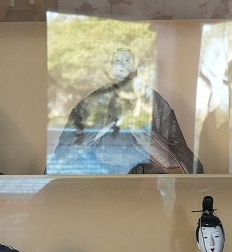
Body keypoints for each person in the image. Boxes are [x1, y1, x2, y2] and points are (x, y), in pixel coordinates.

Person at [49, 47, 201, 175]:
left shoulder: (153, 100)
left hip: (144, 180)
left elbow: (180, 158)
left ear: (135, 67)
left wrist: (139, 128)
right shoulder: (91, 102)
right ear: (111, 66)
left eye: (127, 60)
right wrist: (98, 129)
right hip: (99, 179)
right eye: (117, 61)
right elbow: (61, 159)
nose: (122, 65)